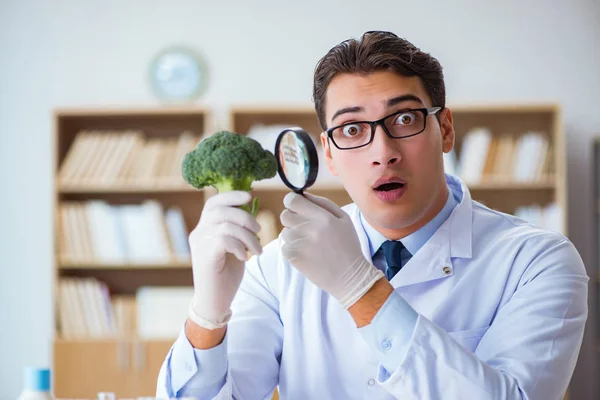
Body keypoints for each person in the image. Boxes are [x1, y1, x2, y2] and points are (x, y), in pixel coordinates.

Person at [156, 31, 588, 399]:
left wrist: (359, 289)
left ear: (447, 130)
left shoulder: (537, 262)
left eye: (404, 118)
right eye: (351, 129)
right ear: (328, 153)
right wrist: (207, 317)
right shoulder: (276, 270)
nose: (383, 153)